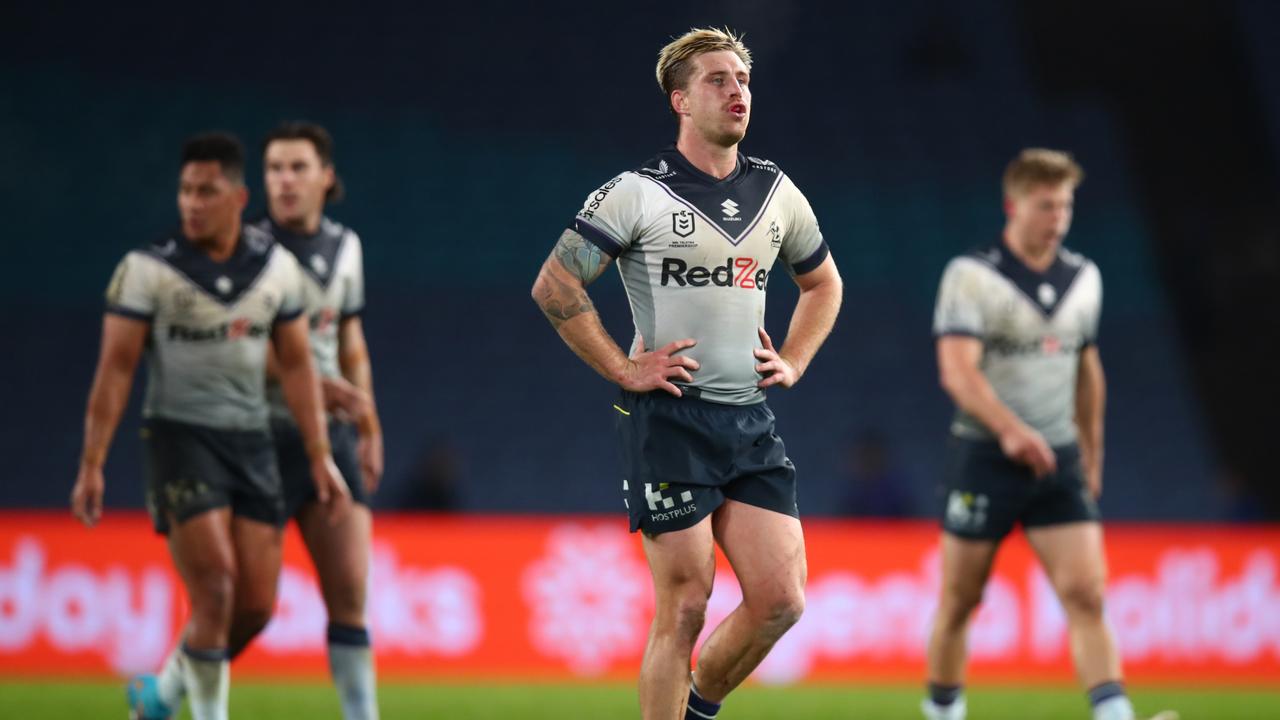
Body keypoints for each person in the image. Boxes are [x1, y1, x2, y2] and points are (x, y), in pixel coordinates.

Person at [531, 28, 842, 720]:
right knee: (686, 604)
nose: (737, 92)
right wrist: (621, 365)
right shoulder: (635, 193)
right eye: (717, 80)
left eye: (743, 80)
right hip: (669, 417)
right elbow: (555, 285)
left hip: (748, 421)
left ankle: (696, 708)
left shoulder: (777, 192)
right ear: (679, 100)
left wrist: (793, 357)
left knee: (782, 600)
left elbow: (824, 285)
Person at [70, 132, 349, 720]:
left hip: (252, 442)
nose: (193, 203)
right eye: (186, 191)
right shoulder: (147, 270)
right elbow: (115, 371)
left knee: (254, 606)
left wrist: (320, 452)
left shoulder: (275, 269)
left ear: (238, 197)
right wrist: (92, 463)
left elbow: (298, 365)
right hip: (179, 438)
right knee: (216, 588)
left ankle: (158, 699)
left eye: (207, 191)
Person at [924, 149, 1174, 720]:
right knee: (960, 600)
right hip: (985, 455)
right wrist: (1010, 432)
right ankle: (943, 712)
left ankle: (1115, 715)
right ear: (1013, 205)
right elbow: (956, 372)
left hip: (1057, 458)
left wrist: (1091, 451)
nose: (1058, 217)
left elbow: (1088, 370)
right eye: (1046, 205)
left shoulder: (1085, 278)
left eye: (1065, 205)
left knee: (1087, 595)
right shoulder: (972, 276)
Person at [245, 121, 383, 720]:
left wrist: (371, 423)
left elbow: (350, 338)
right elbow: (232, 347)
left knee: (350, 597)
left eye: (297, 167)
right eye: (274, 168)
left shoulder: (345, 245)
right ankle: (168, 694)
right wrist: (303, 382)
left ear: (325, 178)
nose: (284, 180)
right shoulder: (243, 251)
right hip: (257, 438)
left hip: (332, 439)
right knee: (249, 606)